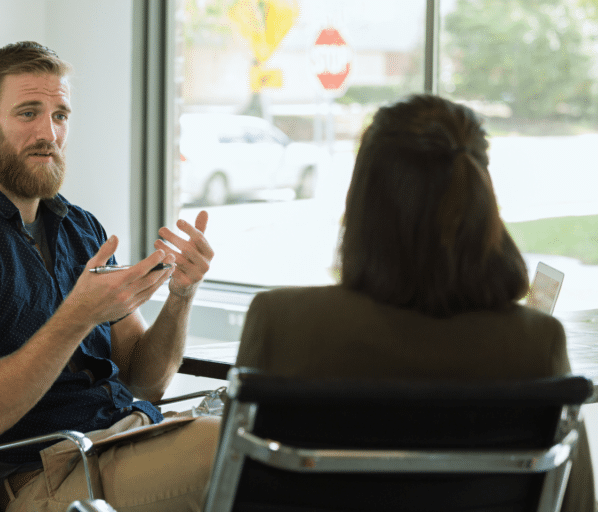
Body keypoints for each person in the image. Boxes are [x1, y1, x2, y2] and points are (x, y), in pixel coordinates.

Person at [0, 41, 219, 512]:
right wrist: (77, 316)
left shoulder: (80, 229)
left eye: (60, 116)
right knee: (236, 455)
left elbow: (145, 383)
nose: (48, 133)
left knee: (264, 432)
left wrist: (181, 296)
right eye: (28, 113)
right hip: (45, 474)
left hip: (125, 436)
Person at [236, 94, 595, 511]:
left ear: (363, 200)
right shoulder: (536, 342)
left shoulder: (282, 323)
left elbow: (239, 488)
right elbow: (576, 502)